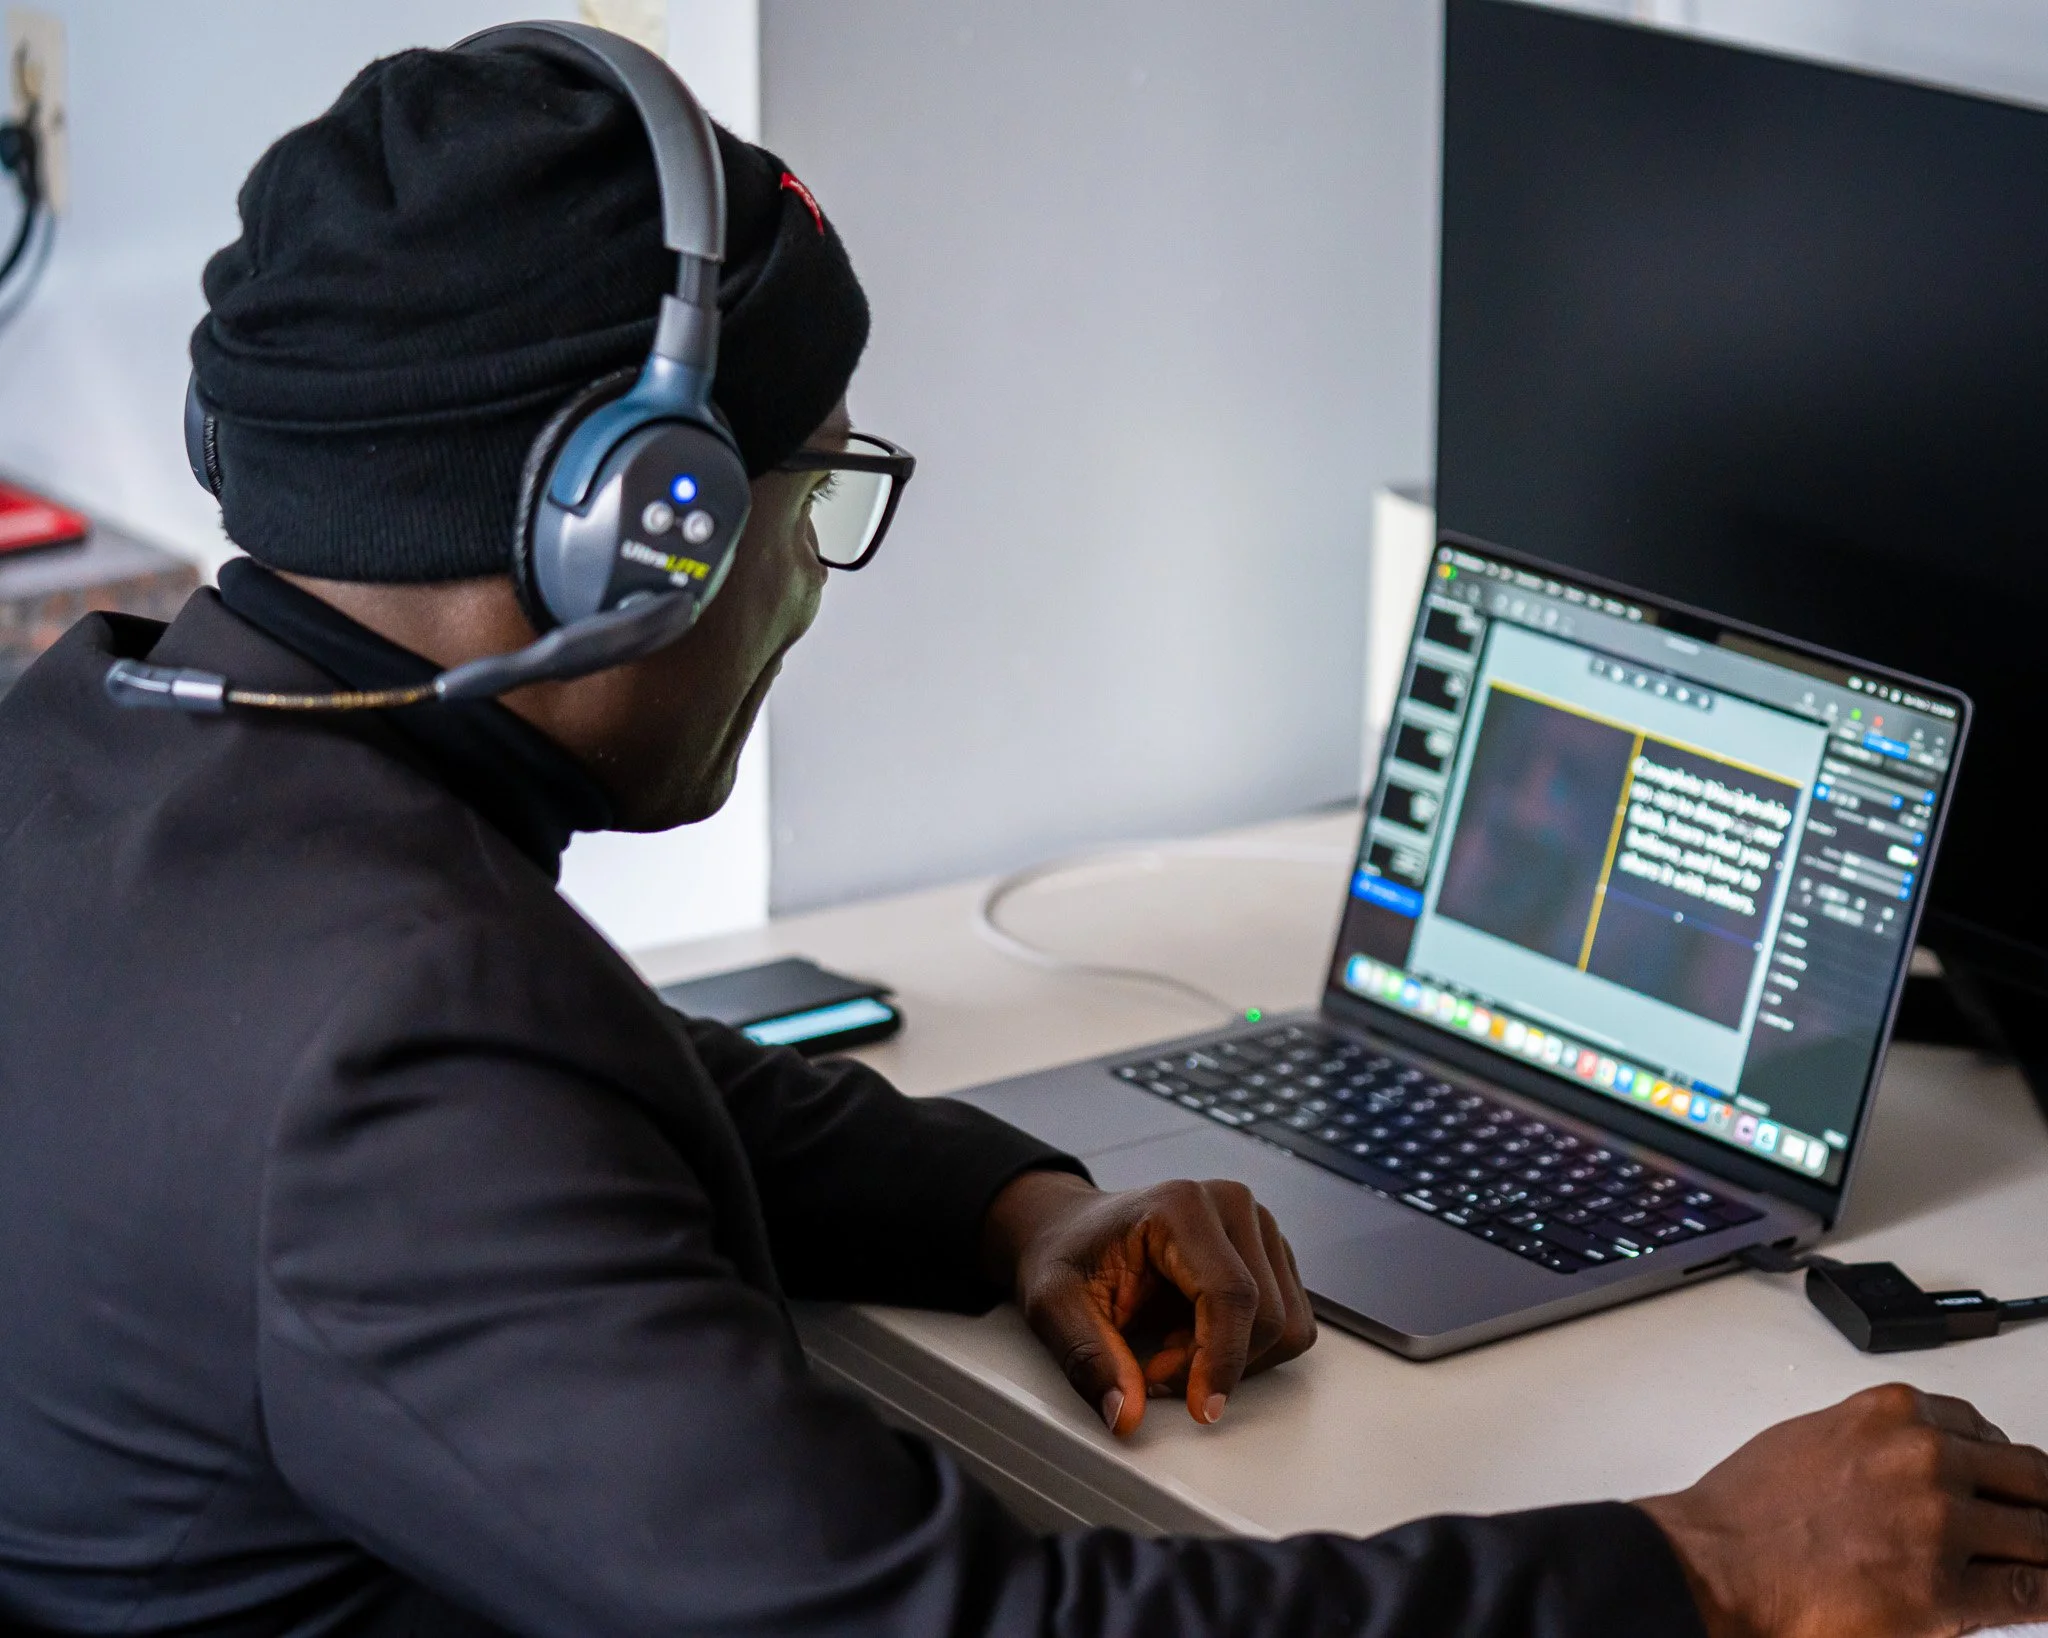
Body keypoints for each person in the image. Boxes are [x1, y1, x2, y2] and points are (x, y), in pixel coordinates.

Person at [1, 37, 2045, 1638]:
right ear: (641, 530)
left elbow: (595, 1066)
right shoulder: (398, 1058)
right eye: (809, 492)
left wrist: (1012, 1214)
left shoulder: (114, 754)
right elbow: (971, 1622)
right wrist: (1696, 1570)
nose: (809, 575)